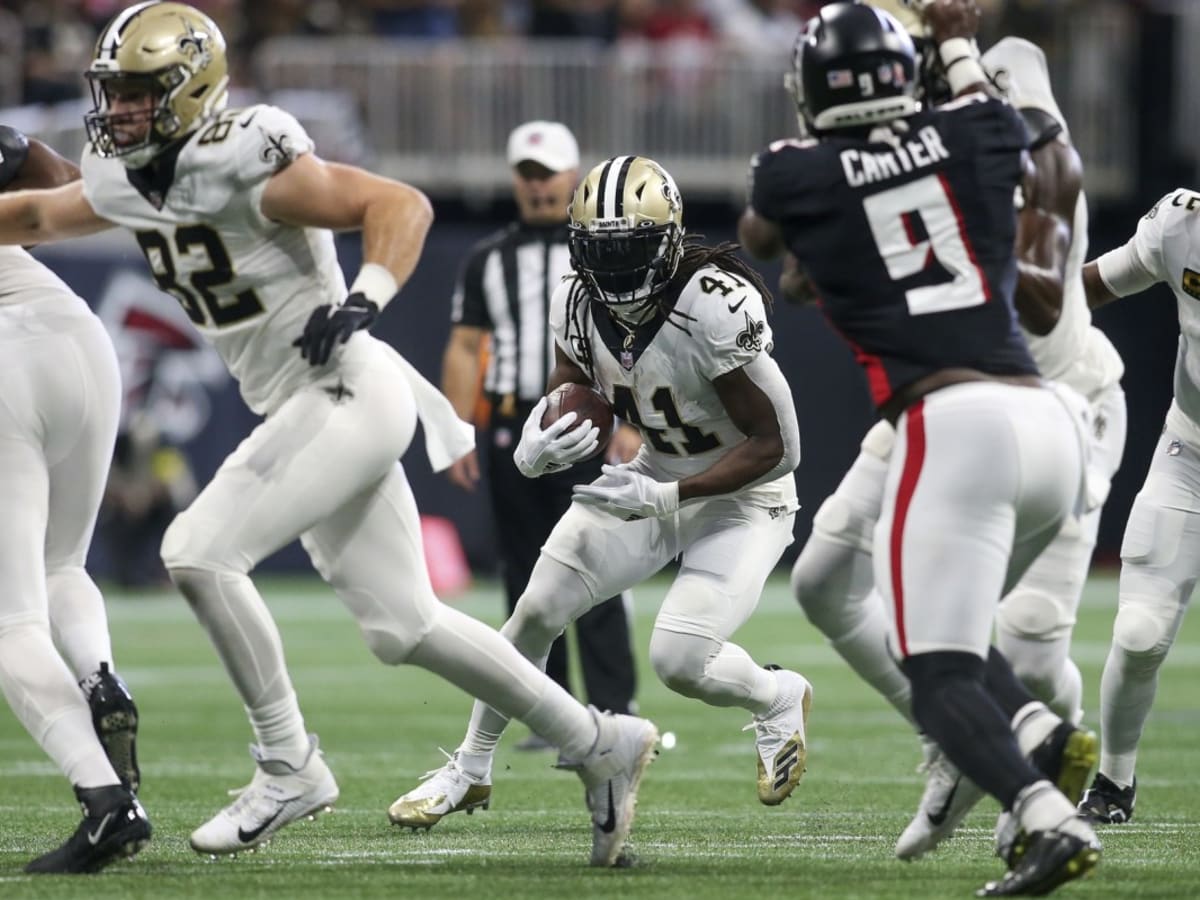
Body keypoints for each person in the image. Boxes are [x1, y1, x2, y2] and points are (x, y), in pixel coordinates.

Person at [0, 2, 658, 868]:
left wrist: (369, 293)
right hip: (304, 406)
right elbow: (43, 218)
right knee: (405, 626)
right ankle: (600, 742)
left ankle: (289, 766)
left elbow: (398, 203)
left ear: (187, 91)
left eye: (135, 94)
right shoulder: (124, 174)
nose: (116, 112)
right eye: (111, 94)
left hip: (344, 386)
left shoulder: (245, 153)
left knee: (197, 550)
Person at [738, 2, 1099, 895]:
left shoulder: (793, 172)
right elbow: (993, 123)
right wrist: (953, 40)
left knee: (930, 667)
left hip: (949, 425)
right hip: (1049, 421)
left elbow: (764, 242)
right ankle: (1038, 737)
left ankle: (1046, 816)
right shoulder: (980, 128)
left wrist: (824, 236)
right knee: (958, 633)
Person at [390, 155, 812, 830]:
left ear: (669, 240)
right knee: (535, 611)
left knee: (679, 660)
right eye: (601, 251)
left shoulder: (713, 305)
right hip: (654, 472)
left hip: (745, 499)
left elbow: (778, 447)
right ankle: (469, 768)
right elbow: (577, 380)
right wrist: (543, 426)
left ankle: (777, 696)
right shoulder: (579, 297)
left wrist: (674, 498)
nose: (614, 269)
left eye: (631, 250)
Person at [441, 120, 638, 748]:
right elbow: (467, 346)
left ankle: (613, 707)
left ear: (572, 176)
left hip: (588, 419)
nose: (537, 186)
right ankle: (546, 712)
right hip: (510, 425)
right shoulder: (487, 259)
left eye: (547, 173)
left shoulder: (605, 248)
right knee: (526, 573)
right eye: (526, 175)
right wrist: (456, 427)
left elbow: (631, 339)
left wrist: (630, 421)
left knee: (598, 566)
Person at [0, 125, 149, 874]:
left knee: (7, 620)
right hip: (77, 335)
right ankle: (97, 672)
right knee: (65, 563)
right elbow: (59, 182)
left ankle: (106, 801)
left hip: (7, 369)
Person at [1075, 186, 1200, 826]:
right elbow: (1094, 285)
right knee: (1138, 631)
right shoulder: (1183, 223)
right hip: (1192, 456)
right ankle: (1113, 784)